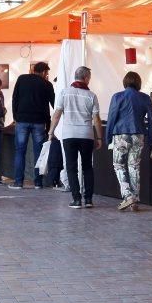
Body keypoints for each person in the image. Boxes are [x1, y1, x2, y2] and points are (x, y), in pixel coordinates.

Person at [48, 66, 102, 209]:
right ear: (85, 78)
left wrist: (51, 131)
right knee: (87, 167)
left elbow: (57, 114)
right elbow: (96, 119)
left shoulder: (64, 93)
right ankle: (89, 199)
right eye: (89, 77)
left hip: (69, 135)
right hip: (86, 135)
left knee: (71, 168)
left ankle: (76, 199)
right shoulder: (91, 96)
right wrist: (99, 137)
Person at [105, 71, 152, 211]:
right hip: (139, 134)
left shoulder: (117, 96)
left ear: (125, 82)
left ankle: (127, 196)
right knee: (134, 166)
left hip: (120, 135)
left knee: (119, 165)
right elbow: (151, 120)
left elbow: (112, 118)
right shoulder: (145, 98)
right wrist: (151, 139)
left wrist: (107, 137)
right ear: (138, 83)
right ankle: (135, 200)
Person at [11, 62, 55, 189]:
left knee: (20, 151)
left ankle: (18, 182)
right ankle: (38, 182)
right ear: (43, 72)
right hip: (39, 122)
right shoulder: (47, 84)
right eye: (47, 73)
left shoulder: (21, 79)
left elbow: (15, 98)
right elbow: (53, 104)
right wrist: (49, 125)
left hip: (22, 120)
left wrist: (16, 117)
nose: (47, 75)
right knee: (38, 152)